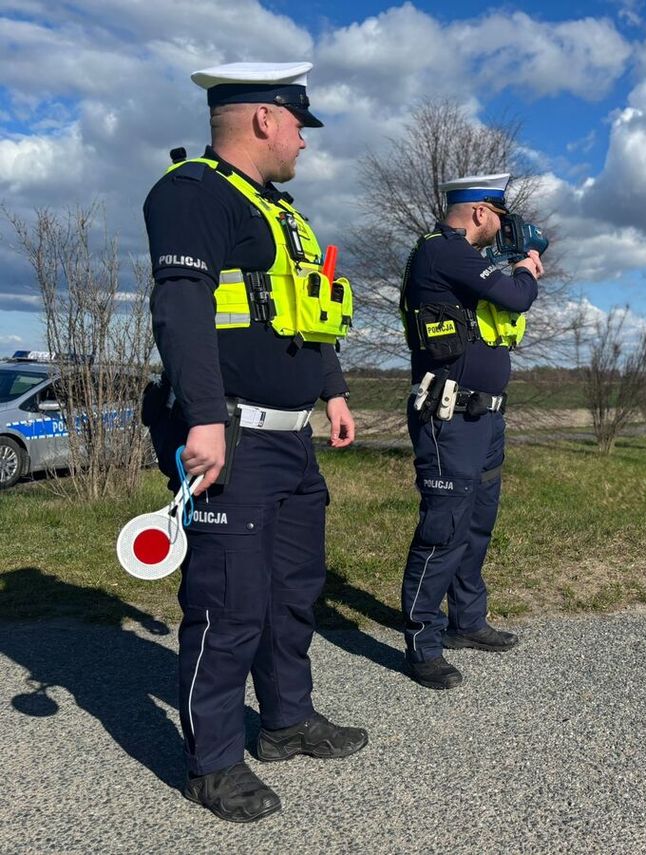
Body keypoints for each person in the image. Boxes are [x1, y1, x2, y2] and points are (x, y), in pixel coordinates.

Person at [143, 61, 367, 823]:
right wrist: (204, 416)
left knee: (291, 591)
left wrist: (333, 391)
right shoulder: (193, 193)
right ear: (265, 118)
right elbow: (181, 307)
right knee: (228, 603)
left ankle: (286, 720)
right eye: (299, 123)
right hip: (231, 435)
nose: (305, 139)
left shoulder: (283, 213)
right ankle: (211, 764)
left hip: (292, 440)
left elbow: (309, 310)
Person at [398, 173, 543, 690]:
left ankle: (467, 620)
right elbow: (515, 296)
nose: (503, 229)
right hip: (449, 417)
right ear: (480, 211)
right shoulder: (443, 251)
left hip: (485, 418)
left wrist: (515, 265)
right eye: (499, 218)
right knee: (445, 528)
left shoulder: (464, 261)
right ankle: (423, 643)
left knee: (477, 522)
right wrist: (526, 267)